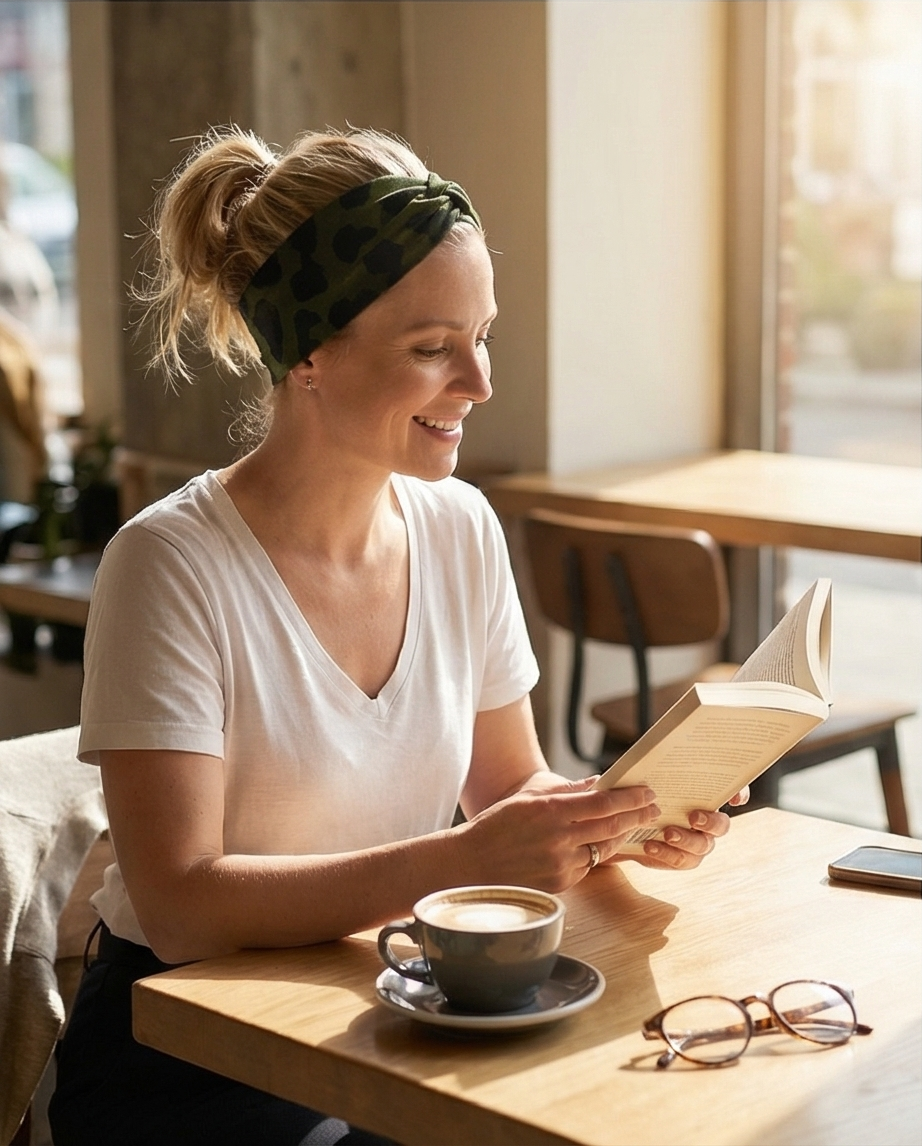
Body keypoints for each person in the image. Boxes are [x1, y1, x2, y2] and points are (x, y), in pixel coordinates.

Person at [49, 127, 745, 1146]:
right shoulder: (170, 565)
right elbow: (182, 901)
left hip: (398, 1001)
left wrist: (620, 817)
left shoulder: (459, 528)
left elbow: (507, 790)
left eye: (482, 334)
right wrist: (457, 860)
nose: (479, 381)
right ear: (310, 355)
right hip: (189, 1057)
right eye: (432, 348)